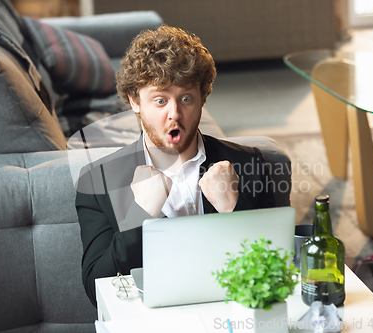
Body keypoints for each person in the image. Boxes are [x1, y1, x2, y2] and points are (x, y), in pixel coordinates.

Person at [75, 25, 276, 307]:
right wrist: (140, 216)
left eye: (185, 99)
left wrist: (234, 208)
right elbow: (96, 288)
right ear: (135, 101)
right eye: (160, 100)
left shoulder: (249, 163)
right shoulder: (96, 181)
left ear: (203, 98)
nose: (175, 114)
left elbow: (276, 269)